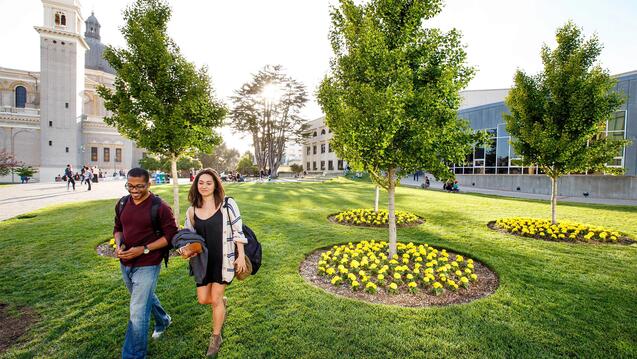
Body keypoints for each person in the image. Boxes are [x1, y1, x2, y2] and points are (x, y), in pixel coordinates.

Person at [180, 168, 248, 357]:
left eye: (209, 183)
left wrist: (240, 255)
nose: (204, 186)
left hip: (223, 258)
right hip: (202, 261)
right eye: (201, 183)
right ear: (196, 185)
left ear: (216, 184)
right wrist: (184, 248)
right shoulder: (192, 210)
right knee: (204, 299)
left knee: (215, 300)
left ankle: (216, 337)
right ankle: (221, 302)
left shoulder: (227, 204)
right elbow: (188, 236)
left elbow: (238, 231)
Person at [113, 168, 178, 359]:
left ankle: (134, 355)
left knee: (137, 311)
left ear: (149, 184)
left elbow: (171, 236)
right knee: (143, 299)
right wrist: (118, 245)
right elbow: (118, 228)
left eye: (139, 186)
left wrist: (144, 249)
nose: (134, 190)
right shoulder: (123, 203)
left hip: (148, 263)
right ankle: (163, 320)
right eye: (130, 185)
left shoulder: (160, 207)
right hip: (125, 262)